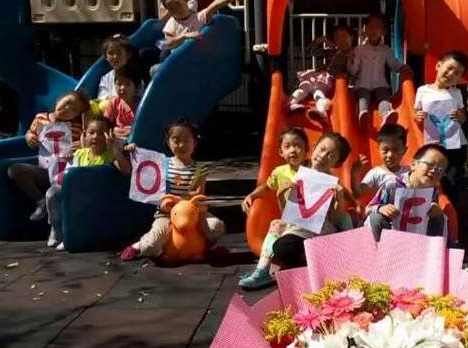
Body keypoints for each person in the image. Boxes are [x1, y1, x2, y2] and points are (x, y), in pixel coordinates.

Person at [119, 119, 225, 261]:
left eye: (186, 140)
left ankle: (205, 248)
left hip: (192, 214)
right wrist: (132, 151)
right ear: (168, 143)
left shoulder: (201, 169)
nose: (181, 145)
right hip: (166, 214)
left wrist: (186, 200)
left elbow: (199, 196)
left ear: (194, 142)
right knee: (150, 245)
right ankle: (138, 246)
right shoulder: (161, 164)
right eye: (176, 140)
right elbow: (145, 179)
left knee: (216, 227)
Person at [268, 132, 354, 271]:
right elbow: (288, 215)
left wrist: (339, 198)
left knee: (309, 251)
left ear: (337, 163)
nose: (323, 156)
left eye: (331, 155)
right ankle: (303, 266)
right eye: (322, 149)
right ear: (314, 147)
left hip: (322, 234)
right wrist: (280, 195)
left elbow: (337, 219)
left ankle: (312, 265)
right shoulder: (300, 175)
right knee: (281, 247)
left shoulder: (333, 183)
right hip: (299, 232)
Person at [239, 127, 310, 289]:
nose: (293, 150)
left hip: (309, 221)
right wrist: (252, 195)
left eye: (298, 146)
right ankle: (262, 271)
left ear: (306, 149)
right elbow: (267, 187)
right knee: (276, 225)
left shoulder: (312, 170)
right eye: (287, 146)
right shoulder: (279, 172)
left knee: (281, 230)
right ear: (280, 152)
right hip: (291, 223)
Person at [46, 116, 129, 250]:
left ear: (109, 135)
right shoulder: (79, 154)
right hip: (78, 197)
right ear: (84, 135)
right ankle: (57, 230)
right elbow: (68, 181)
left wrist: (114, 148)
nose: (95, 137)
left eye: (101, 133)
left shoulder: (111, 155)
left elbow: (127, 171)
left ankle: (71, 238)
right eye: (91, 133)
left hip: (101, 199)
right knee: (52, 193)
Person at [7, 91, 90, 222]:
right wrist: (29, 137)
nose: (67, 108)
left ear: (76, 115)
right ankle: (41, 201)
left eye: (74, 110)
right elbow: (31, 133)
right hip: (44, 171)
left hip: (62, 174)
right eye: (67, 102)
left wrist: (79, 146)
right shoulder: (40, 118)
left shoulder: (76, 128)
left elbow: (83, 147)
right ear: (58, 100)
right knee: (15, 170)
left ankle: (58, 215)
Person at [414, 51, 468, 208]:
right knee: (431, 177)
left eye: (457, 73)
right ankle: (429, 208)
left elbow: (463, 118)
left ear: (459, 78)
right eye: (449, 68)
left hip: (455, 145)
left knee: (452, 180)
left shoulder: (456, 93)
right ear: (438, 65)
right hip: (432, 144)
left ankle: (451, 211)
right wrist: (418, 116)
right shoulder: (422, 90)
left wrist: (460, 116)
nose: (451, 74)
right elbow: (415, 113)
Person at [365, 143, 449, 242]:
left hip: (418, 236)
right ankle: (375, 249)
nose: (433, 171)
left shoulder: (433, 190)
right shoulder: (393, 184)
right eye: (430, 164)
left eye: (440, 170)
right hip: (391, 234)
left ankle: (436, 249)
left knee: (440, 217)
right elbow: (368, 209)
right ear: (413, 165)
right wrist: (381, 208)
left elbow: (431, 214)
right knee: (375, 218)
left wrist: (435, 209)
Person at [152, 0, 245, 74]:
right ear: (168, 11)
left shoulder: (199, 17)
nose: (177, 9)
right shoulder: (171, 24)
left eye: (177, 3)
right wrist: (184, 36)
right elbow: (167, 44)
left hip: (200, 60)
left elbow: (214, 5)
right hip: (179, 63)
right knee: (155, 70)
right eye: (172, 9)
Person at [349, 13, 412, 128]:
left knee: (383, 96)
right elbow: (354, 69)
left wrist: (402, 67)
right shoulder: (359, 50)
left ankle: (386, 114)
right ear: (364, 29)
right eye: (370, 26)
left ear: (383, 32)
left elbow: (393, 63)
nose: (373, 30)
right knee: (363, 96)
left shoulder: (386, 50)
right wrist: (349, 64)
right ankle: (363, 114)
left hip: (379, 84)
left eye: (377, 27)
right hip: (363, 84)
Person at [289, 25, 356, 122]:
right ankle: (291, 103)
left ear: (352, 37)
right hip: (317, 75)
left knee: (319, 92)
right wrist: (320, 40)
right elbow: (313, 52)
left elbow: (353, 71)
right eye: (337, 38)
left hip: (328, 80)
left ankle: (321, 111)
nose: (341, 40)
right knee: (304, 87)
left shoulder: (355, 54)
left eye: (344, 36)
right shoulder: (331, 52)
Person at [350, 123, 409, 201]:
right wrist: (354, 174)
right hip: (382, 208)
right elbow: (358, 193)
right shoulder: (376, 173)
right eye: (385, 150)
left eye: (395, 150)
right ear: (378, 149)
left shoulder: (409, 172)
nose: (390, 155)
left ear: (404, 150)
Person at [103, 65, 142, 139]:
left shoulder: (141, 105)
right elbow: (105, 123)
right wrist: (113, 130)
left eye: (127, 84)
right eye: (119, 84)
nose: (122, 88)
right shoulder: (114, 103)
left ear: (137, 88)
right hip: (118, 139)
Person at [97, 35, 141, 101]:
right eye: (111, 53)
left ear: (128, 55)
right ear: (106, 57)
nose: (115, 56)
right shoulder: (106, 79)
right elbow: (102, 98)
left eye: (119, 52)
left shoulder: (136, 75)